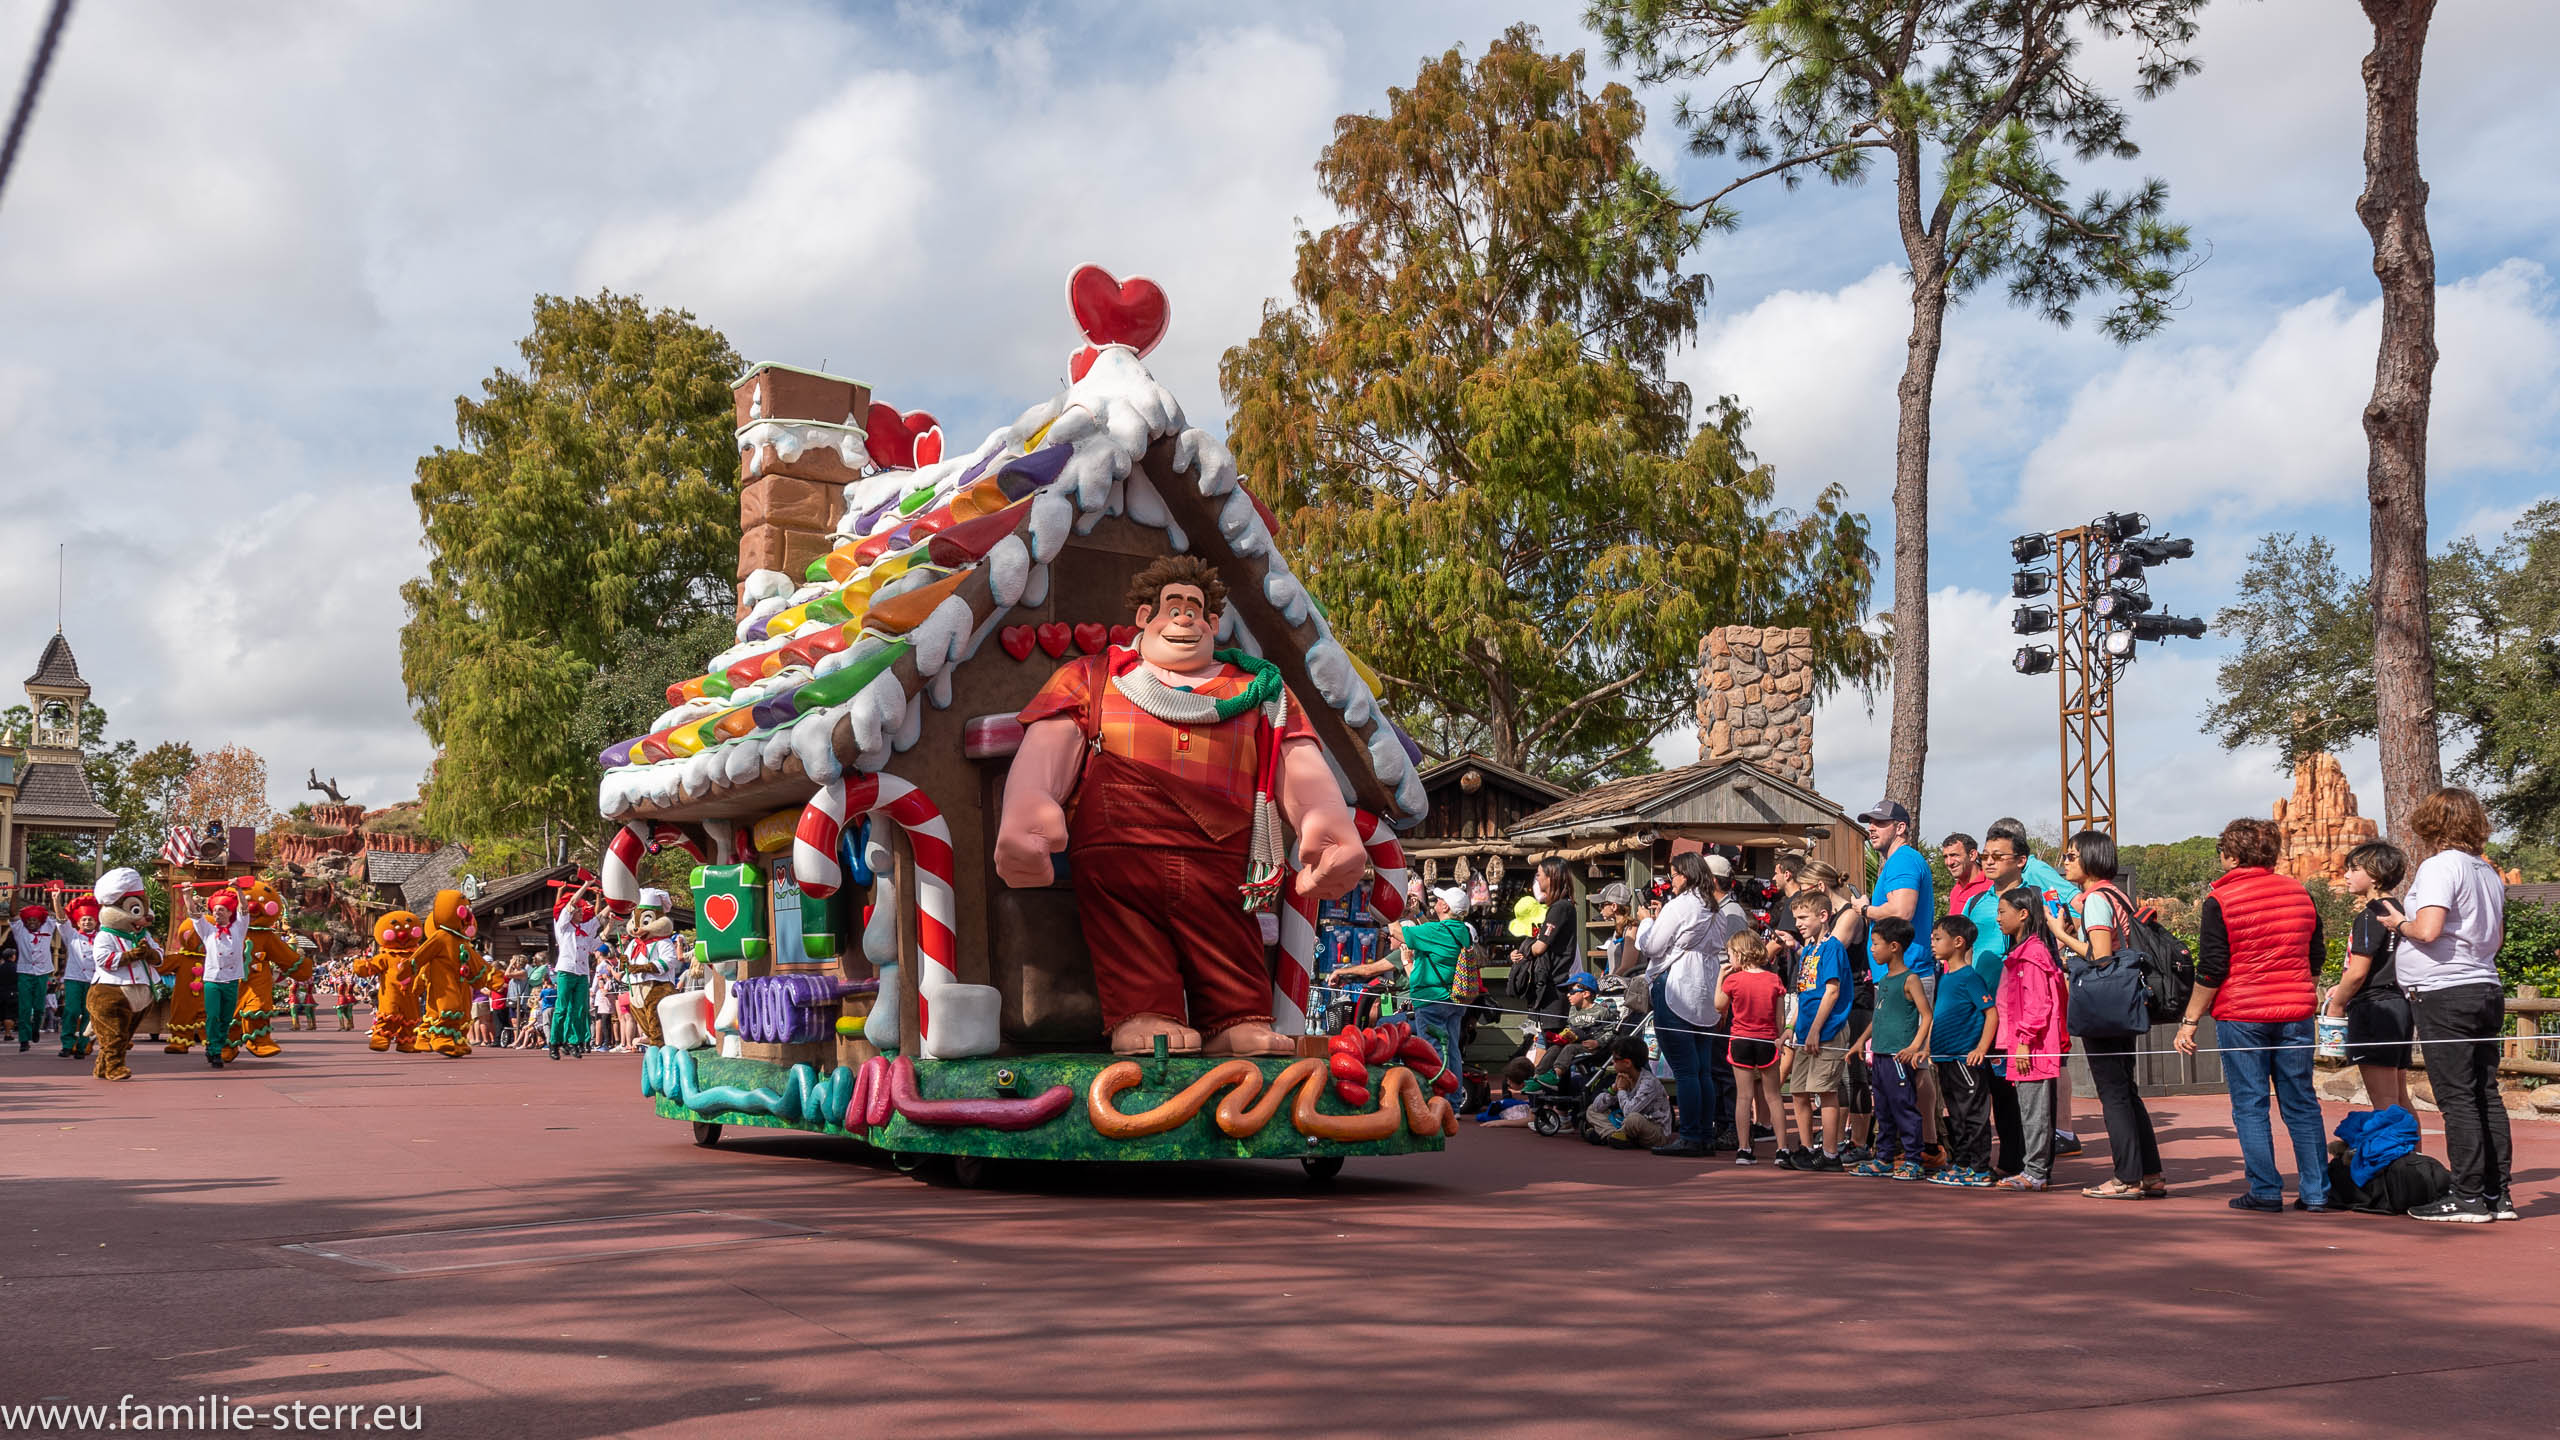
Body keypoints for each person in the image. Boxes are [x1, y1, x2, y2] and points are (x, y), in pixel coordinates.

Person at [2172, 818, 2330, 1213]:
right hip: (2295, 1010)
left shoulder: (2221, 900)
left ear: (2231, 854)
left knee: (2250, 1103)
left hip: (2243, 1013)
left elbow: (2212, 968)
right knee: (2302, 1102)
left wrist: (2191, 1019)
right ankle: (2316, 1192)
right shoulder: (2300, 893)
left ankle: (2265, 1190)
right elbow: (2316, 958)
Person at [2380, 787, 2514, 1223]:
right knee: (2485, 1092)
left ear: (2432, 823)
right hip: (2483, 986)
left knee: (2456, 1097)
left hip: (2445, 992)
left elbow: (2430, 928)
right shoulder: (2487, 871)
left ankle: (2469, 1196)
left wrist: (2400, 922)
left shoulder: (2441, 866)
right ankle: (2497, 1195)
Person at [2058, 829, 2167, 1202]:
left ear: (2091, 859)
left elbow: (2100, 955)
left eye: (2072, 855)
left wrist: (2063, 935)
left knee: (2113, 1093)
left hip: (2106, 1004)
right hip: (2125, 1002)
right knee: (2126, 1091)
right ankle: (2149, 1173)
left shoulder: (2097, 900)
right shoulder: (2118, 894)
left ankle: (2126, 1177)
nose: (2066, 862)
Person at [1987, 817, 2082, 1156]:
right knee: (2019, 1089)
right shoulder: (1986, 892)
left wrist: (2067, 943)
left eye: (1998, 855)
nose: (1990, 861)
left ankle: (2061, 1135)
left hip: (2038, 972)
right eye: (1988, 853)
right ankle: (2030, 1156)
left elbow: (2076, 899)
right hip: (2009, 992)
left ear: (2019, 856)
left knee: (2047, 1071)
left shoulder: (2038, 872)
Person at [1858, 801, 1939, 1165]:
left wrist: (1862, 909)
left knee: (1913, 1064)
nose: (1872, 828)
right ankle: (1918, 1143)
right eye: (1870, 823)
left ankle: (1924, 1146)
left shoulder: (1904, 860)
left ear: (1901, 828)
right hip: (1895, 975)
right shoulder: (1895, 863)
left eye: (1880, 822)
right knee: (1897, 1064)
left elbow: (1902, 911)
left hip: (1911, 973)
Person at [1637, 852, 1720, 1157]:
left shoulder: (1680, 905)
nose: (1671, 881)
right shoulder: (1715, 907)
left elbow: (1652, 946)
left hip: (1676, 983)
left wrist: (1647, 923)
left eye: (1673, 875)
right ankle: (1705, 1133)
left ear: (1684, 875)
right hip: (1705, 986)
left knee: (1685, 1069)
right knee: (1702, 1069)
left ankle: (1690, 1135)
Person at [1992, 885, 2069, 1192]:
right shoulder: (2024, 952)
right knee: (2029, 1108)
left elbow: (2038, 1004)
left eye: (2002, 912)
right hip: (2022, 1044)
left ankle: (2036, 1172)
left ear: (2022, 915)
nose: (1998, 918)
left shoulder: (2032, 954)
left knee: (2035, 1110)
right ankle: (2034, 1169)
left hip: (2032, 1047)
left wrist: (2023, 1042)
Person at [2328, 841, 2413, 1116]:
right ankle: (2414, 1157)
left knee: (2385, 1102)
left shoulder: (2370, 915)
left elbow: (2358, 971)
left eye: (2354, 869)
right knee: (2400, 1098)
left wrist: (2337, 1005)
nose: (2347, 875)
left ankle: (2396, 1159)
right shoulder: (2399, 911)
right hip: (2399, 1006)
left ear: (2375, 875)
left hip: (2374, 1009)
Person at [1782, 884, 1861, 1172]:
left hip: (1827, 1030)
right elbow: (1804, 994)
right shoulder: (1807, 952)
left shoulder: (1832, 948)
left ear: (1823, 915)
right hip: (1804, 1031)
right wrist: (1791, 1026)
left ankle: (1830, 1153)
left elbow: (1831, 991)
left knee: (1825, 1090)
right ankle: (1806, 1147)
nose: (1798, 925)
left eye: (1803, 918)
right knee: (1800, 1091)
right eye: (1797, 919)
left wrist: (1816, 1029)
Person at [1852, 916, 1932, 1181]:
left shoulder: (1910, 980)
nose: (1871, 949)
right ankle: (1884, 1158)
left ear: (1894, 946)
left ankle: (1913, 1159)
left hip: (1899, 1057)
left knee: (1904, 1108)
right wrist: (1861, 1041)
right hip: (1881, 1056)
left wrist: (1914, 1046)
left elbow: (1926, 1015)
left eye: (1876, 944)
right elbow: (1878, 1017)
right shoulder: (1884, 980)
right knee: (1883, 1109)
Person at [1925, 914, 1998, 1188]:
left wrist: (1980, 1048)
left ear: (1958, 942)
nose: (1933, 943)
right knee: (1955, 1114)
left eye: (1938, 938)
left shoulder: (1970, 977)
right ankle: (1963, 1163)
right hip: (1945, 1058)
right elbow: (1938, 1015)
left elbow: (1991, 1013)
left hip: (1964, 1059)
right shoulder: (1945, 976)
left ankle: (1980, 1168)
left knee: (1973, 1114)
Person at [1716, 930, 1790, 1165]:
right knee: (1774, 1097)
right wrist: (1778, 1038)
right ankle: (1782, 1149)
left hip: (1741, 1040)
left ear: (1739, 954)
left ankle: (1744, 1149)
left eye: (1730, 955)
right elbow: (1779, 1018)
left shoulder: (1733, 980)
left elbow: (1719, 1005)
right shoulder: (1773, 980)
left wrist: (1720, 977)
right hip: (1767, 1040)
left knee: (1743, 1097)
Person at [184, 884, 252, 1071]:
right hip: (212, 980)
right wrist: (187, 895)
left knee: (226, 1017)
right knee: (213, 1016)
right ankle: (214, 1050)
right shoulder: (208, 931)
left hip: (231, 980)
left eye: (221, 910)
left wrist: (238, 890)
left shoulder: (239, 928)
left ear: (230, 912)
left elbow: (244, 909)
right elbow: (194, 914)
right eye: (214, 910)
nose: (217, 913)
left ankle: (217, 1045)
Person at [1518, 973, 1621, 1093]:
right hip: (1578, 1044)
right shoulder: (1573, 1010)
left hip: (1597, 1049)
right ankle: (1537, 1078)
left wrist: (1598, 1043)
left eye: (1571, 992)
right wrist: (1563, 1036)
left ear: (1585, 994)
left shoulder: (1601, 1011)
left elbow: (1612, 1030)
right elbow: (1570, 1026)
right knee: (1554, 1048)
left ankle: (1555, 1075)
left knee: (1569, 1048)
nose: (1568, 995)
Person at [1585, 1035, 1672, 1149]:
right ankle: (1614, 1136)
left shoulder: (1648, 1082)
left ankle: (1608, 1135)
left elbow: (1629, 1112)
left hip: (1655, 1132)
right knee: (1592, 1110)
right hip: (1628, 1127)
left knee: (1633, 1119)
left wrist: (1621, 1090)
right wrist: (1613, 1090)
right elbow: (1597, 1107)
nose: (1612, 1062)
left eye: (1615, 1059)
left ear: (1627, 1063)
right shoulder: (1623, 1077)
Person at [550, 882, 604, 1059]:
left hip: (581, 973)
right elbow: (572, 902)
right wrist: (587, 884)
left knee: (579, 1009)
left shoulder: (585, 929)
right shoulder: (563, 926)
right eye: (579, 911)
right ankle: (554, 1042)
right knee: (561, 1008)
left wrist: (615, 901)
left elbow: (600, 918)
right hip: (566, 971)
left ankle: (573, 1042)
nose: (582, 914)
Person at [7, 903, 58, 1053]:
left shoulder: (47, 928)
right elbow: (12, 913)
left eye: (34, 920)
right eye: (29, 920)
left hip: (42, 973)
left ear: (40, 922)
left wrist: (52, 895)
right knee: (24, 1007)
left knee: (39, 1007)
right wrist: (16, 893)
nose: (31, 923)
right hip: (25, 972)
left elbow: (54, 913)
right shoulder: (20, 931)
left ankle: (36, 1028)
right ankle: (24, 1040)